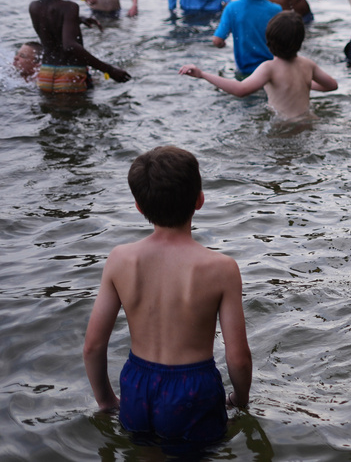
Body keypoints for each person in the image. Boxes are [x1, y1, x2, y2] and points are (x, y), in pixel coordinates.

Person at [82, 146, 252, 445]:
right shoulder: (221, 268)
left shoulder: (120, 260)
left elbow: (93, 346)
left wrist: (107, 401)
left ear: (138, 206)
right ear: (200, 199)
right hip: (193, 390)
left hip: (136, 384)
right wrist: (240, 398)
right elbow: (237, 358)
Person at [179, 10, 338, 120]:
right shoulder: (307, 64)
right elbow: (332, 86)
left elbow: (240, 90)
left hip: (284, 125)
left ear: (268, 43)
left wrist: (203, 75)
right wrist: (304, 84)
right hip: (308, 120)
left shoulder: (268, 68)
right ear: (301, 41)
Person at [27, 0, 130, 93]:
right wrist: (109, 69)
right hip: (70, 74)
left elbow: (52, 22)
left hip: (46, 72)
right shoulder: (70, 7)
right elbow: (70, 46)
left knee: (53, 112)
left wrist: (77, 19)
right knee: (79, 113)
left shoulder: (34, 7)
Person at [212, 0, 281, 76]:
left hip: (245, 68)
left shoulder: (232, 8)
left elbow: (217, 40)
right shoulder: (275, 9)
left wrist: (222, 45)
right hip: (270, 69)